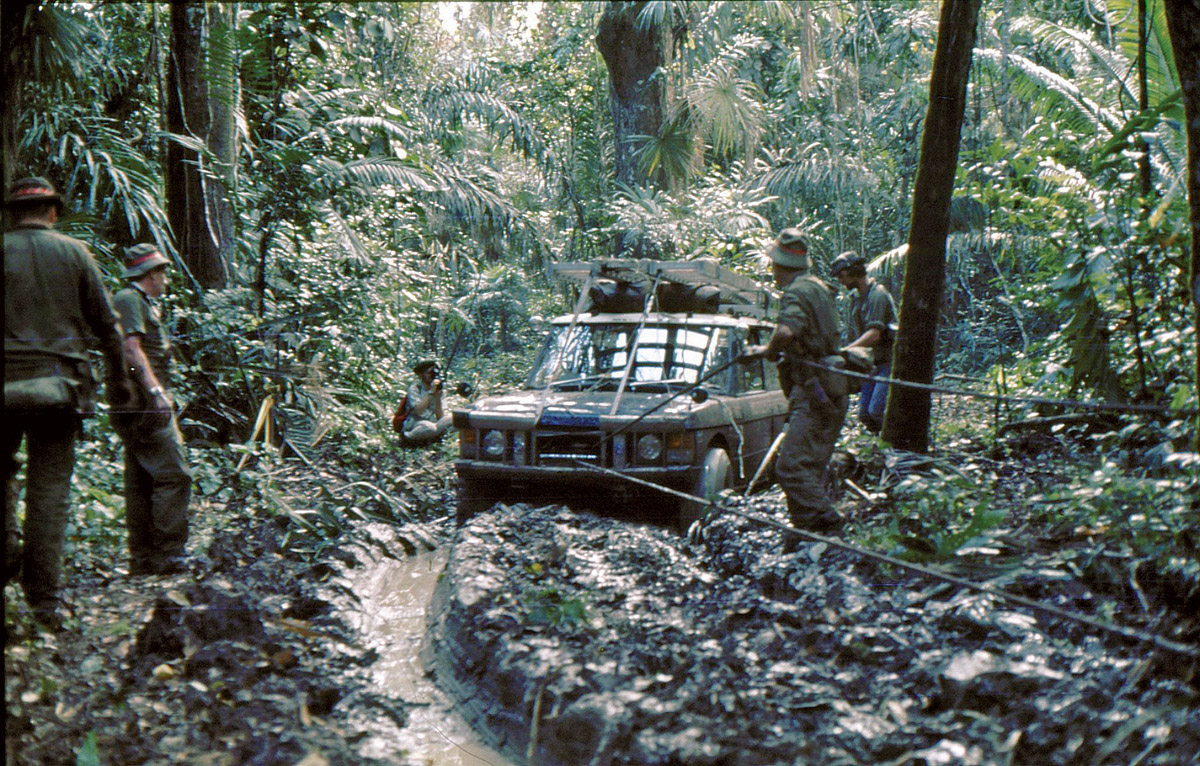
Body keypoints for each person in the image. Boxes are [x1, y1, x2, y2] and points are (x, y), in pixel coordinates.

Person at [4, 176, 133, 630]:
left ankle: (7, 557)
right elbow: (108, 327)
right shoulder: (75, 253)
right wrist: (120, 384)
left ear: (12, 215)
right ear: (54, 212)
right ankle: (45, 603)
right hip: (59, 390)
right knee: (49, 492)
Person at [743, 228, 848, 537]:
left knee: (789, 466)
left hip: (815, 389)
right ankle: (805, 533)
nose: (772, 271)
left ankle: (829, 522)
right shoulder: (818, 287)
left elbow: (787, 331)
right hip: (830, 388)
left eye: (773, 265)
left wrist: (766, 351)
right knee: (810, 465)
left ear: (780, 266)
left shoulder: (797, 292)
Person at [111, 244, 194, 576]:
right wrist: (155, 391)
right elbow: (130, 349)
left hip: (136, 401)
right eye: (162, 272)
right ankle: (169, 554)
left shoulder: (138, 302)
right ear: (149, 274)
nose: (165, 279)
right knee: (175, 475)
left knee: (142, 477)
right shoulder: (130, 299)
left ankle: (143, 558)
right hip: (144, 402)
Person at [830, 251, 897, 435]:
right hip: (871, 363)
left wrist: (846, 350)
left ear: (855, 273)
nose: (841, 281)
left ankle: (896, 444)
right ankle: (880, 446)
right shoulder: (856, 298)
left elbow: (874, 334)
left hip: (887, 361)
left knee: (877, 410)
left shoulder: (877, 295)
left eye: (842, 276)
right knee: (865, 415)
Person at [400, 360, 454, 446]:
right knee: (429, 428)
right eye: (429, 373)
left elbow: (440, 416)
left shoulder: (440, 390)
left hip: (434, 423)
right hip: (416, 423)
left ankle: (439, 441)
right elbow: (418, 411)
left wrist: (437, 398)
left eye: (434, 373)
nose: (432, 376)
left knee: (454, 419)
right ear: (421, 374)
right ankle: (407, 438)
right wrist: (431, 392)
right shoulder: (415, 389)